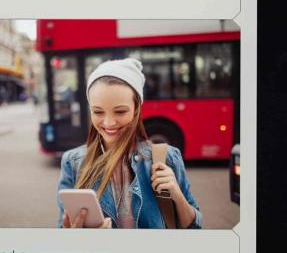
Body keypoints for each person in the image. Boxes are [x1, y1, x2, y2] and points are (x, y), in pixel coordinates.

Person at [56, 58, 203, 229]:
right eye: (98, 112)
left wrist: (177, 195)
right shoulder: (72, 163)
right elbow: (64, 232)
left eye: (120, 111)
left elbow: (194, 229)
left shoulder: (167, 157)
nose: (109, 123)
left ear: (136, 109)